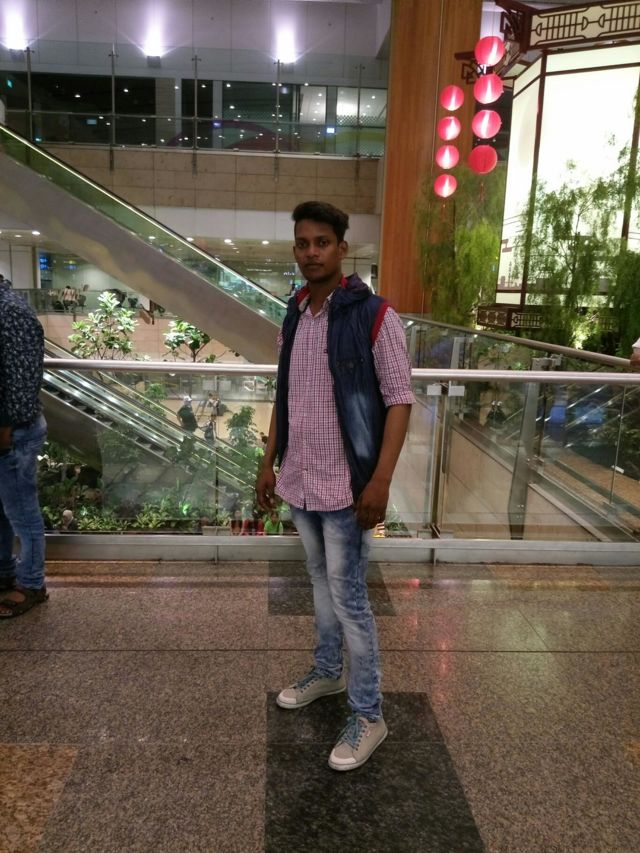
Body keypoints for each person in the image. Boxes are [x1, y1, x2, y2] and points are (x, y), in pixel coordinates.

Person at [256, 200, 414, 772]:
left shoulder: (374, 315)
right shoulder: (295, 313)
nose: (311, 252)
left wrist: (380, 481)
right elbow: (286, 395)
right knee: (320, 582)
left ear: (342, 248)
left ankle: (369, 714)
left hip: (348, 486)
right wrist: (269, 461)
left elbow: (399, 400)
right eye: (302, 243)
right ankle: (327, 671)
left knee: (349, 599)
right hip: (301, 478)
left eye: (322, 242)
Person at [0, 276, 48, 618]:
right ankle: (6, 572)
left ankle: (32, 583)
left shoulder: (11, 313)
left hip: (12, 433)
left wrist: (5, 428)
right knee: (4, 510)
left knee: (22, 512)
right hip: (8, 431)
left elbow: (21, 381)